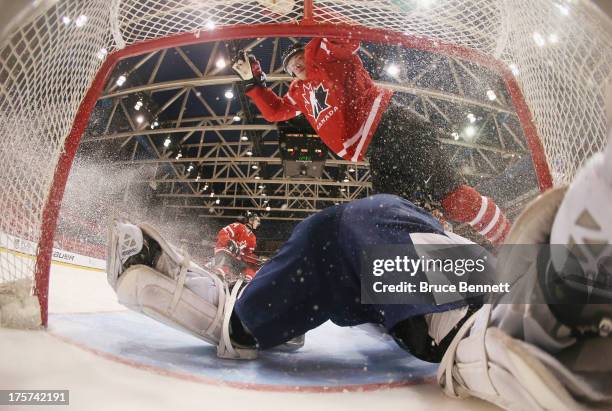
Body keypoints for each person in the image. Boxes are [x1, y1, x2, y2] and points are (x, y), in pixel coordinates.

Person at [231, 39, 511, 244]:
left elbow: (347, 37)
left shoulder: (325, 53)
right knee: (391, 220)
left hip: (396, 126)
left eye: (300, 57)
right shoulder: (298, 92)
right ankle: (423, 295)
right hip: (377, 150)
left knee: (454, 199)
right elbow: (275, 111)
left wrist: (315, 17)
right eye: (292, 66)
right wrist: (253, 84)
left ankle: (513, 243)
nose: (298, 65)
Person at [213, 212, 262, 282]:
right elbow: (222, 233)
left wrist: (255, 260)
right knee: (226, 256)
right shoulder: (238, 226)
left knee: (252, 266)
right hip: (224, 252)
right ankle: (220, 272)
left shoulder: (253, 238)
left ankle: (246, 281)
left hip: (235, 259)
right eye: (257, 221)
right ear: (250, 220)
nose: (258, 223)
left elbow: (247, 254)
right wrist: (229, 242)